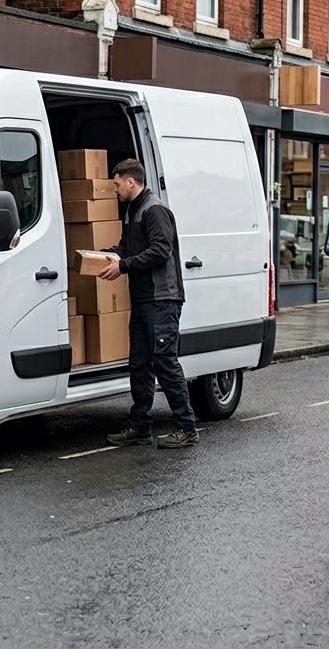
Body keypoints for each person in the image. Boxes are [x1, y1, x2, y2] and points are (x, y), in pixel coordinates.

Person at [99, 159, 199, 449]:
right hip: (143, 300)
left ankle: (186, 427)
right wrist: (104, 256)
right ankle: (140, 427)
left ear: (131, 182)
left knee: (165, 362)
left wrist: (124, 266)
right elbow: (126, 249)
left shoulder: (154, 209)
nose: (115, 190)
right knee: (139, 364)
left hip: (162, 299)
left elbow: (160, 250)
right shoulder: (133, 210)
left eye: (117, 184)